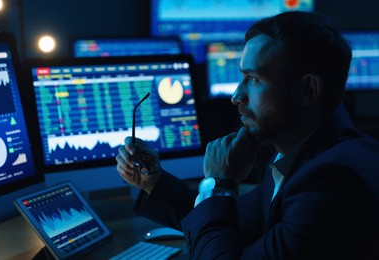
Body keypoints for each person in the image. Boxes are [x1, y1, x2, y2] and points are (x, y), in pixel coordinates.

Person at [116, 11, 379, 259]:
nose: (236, 96)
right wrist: (154, 182)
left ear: (307, 90)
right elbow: (230, 222)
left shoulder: (331, 182)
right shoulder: (304, 154)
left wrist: (220, 183)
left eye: (254, 78)